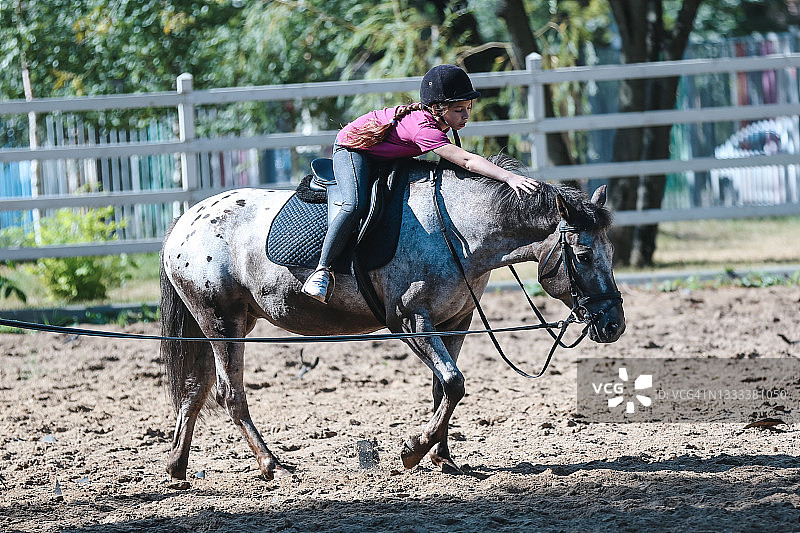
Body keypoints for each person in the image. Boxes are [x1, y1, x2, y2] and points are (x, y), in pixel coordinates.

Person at [302, 64, 540, 303]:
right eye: (459, 109)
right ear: (437, 108)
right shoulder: (423, 129)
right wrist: (509, 177)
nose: (466, 116)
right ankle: (322, 270)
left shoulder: (438, 122)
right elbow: (467, 161)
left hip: (385, 155)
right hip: (352, 149)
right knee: (355, 204)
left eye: (468, 107)